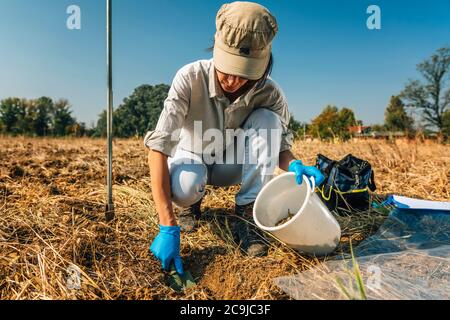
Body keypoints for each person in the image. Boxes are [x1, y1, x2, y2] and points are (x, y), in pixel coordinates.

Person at [144, 1, 324, 275]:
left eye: (244, 74)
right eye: (227, 69)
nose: (233, 81)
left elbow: (280, 149)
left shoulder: (270, 93)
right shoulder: (189, 77)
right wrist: (167, 226)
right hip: (192, 156)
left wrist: (295, 165)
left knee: (267, 119)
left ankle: (247, 213)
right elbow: (158, 149)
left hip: (233, 163)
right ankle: (192, 206)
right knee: (185, 187)